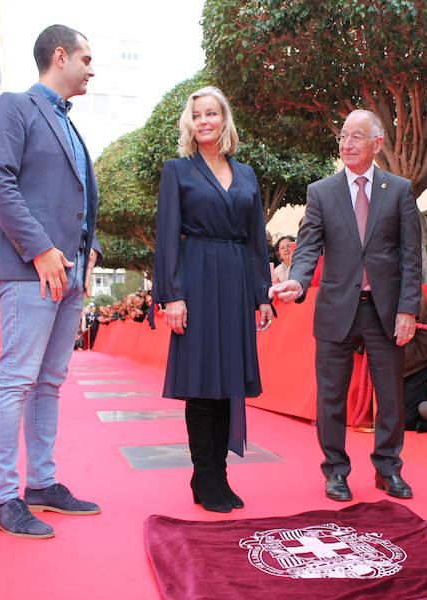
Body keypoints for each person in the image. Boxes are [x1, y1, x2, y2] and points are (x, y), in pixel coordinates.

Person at [0, 24, 102, 539]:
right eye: (86, 58)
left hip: (69, 272)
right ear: (60, 56)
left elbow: (74, 196)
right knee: (16, 379)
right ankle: (2, 497)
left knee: (49, 382)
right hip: (31, 270)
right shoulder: (13, 106)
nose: (92, 69)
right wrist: (41, 250)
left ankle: (42, 483)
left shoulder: (70, 126)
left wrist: (88, 249)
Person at [270, 109, 422, 502]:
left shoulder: (400, 190)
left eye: (356, 136)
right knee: (331, 395)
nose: (347, 144)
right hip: (338, 307)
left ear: (377, 143)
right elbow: (307, 247)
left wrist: (408, 309)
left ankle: (388, 469)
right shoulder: (321, 192)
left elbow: (410, 257)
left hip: (385, 310)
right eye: (342, 136)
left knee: (390, 394)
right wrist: (298, 280)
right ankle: (335, 470)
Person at [153, 86, 273, 514]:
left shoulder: (246, 175)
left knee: (227, 384)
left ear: (224, 121)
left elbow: (257, 238)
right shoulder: (177, 171)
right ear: (190, 123)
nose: (205, 121)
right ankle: (205, 475)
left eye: (212, 114)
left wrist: (263, 295)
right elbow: (167, 236)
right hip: (198, 277)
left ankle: (217, 473)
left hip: (238, 280)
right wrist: (172, 295)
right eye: (198, 115)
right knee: (203, 385)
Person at [403, 298, 427, 431]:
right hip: (391, 367)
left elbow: (403, 328)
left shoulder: (415, 297)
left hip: (416, 366)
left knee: (408, 421)